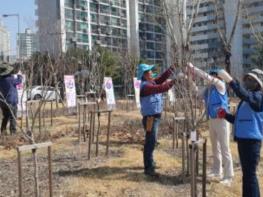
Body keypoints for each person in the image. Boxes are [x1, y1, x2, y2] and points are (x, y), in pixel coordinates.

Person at [217, 69, 263, 197]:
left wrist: (230, 81)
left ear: (257, 83)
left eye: (250, 79)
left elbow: (244, 95)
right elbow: (238, 120)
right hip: (243, 140)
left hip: (252, 142)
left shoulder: (258, 97)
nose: (247, 81)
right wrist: (225, 115)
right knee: (247, 176)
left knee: (250, 176)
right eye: (247, 79)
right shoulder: (247, 100)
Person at [187, 63, 234, 185]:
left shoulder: (220, 85)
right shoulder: (209, 89)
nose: (211, 77)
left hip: (222, 120)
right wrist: (190, 80)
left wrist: (194, 68)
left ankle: (229, 175)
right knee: (215, 146)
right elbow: (197, 93)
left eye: (213, 76)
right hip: (212, 119)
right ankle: (216, 170)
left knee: (225, 148)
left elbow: (207, 77)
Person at [137, 63, 178, 176]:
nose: (151, 72)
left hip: (155, 117)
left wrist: (171, 69)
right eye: (149, 71)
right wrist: (173, 81)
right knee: (150, 142)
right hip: (150, 118)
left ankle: (150, 161)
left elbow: (161, 79)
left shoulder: (151, 82)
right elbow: (160, 87)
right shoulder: (146, 86)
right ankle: (148, 168)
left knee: (152, 141)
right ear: (144, 75)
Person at [0, 62, 22, 135]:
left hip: (3, 102)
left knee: (5, 117)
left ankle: (3, 131)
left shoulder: (1, 79)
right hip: (11, 102)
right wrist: (19, 75)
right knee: (13, 117)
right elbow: (19, 81)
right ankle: (13, 133)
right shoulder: (10, 79)